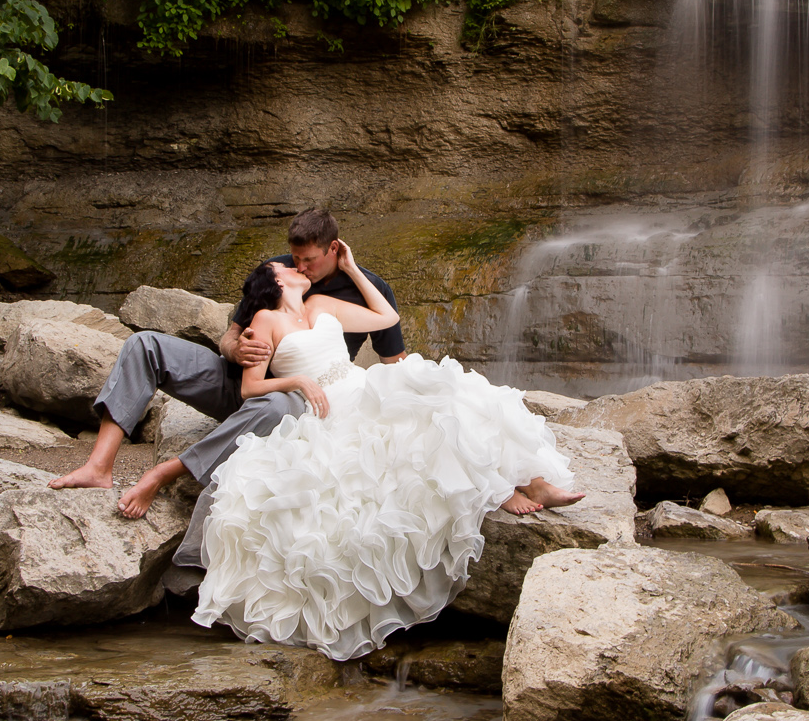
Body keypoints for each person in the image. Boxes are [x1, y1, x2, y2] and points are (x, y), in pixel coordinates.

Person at [189, 239, 584, 661]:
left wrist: (354, 267)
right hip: (330, 411)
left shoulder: (321, 304)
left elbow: (387, 316)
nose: (296, 267)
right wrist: (297, 382)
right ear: (273, 281)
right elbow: (251, 387)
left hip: (363, 387)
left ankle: (534, 482)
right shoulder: (265, 319)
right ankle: (501, 489)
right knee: (417, 433)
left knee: (451, 396)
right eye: (286, 266)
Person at [48, 209, 404, 527]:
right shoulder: (276, 269)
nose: (300, 267)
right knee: (145, 344)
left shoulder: (368, 289)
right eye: (294, 258)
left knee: (279, 404)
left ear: (333, 249)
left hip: (292, 402)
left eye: (308, 260)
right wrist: (238, 349)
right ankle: (99, 466)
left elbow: (393, 361)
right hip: (239, 382)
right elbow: (228, 337)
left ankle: (166, 473)